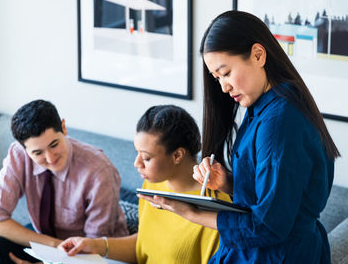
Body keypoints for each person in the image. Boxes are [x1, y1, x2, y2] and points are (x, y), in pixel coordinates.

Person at [140, 11, 340, 263]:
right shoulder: (263, 107)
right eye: (217, 78)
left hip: (276, 256)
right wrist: (227, 183)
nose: (223, 86)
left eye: (226, 73)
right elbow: (274, 198)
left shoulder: (280, 121)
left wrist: (190, 213)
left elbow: (268, 226)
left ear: (258, 55)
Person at [58, 105, 232, 264]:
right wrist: (95, 245)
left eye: (146, 157)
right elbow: (144, 244)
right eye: (137, 153)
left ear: (177, 155)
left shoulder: (215, 206)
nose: (136, 163)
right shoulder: (153, 185)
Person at [0, 100, 128, 264]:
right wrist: (54, 246)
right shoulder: (19, 155)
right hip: (50, 242)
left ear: (64, 128)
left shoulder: (98, 170)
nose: (50, 158)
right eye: (38, 153)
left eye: (54, 144)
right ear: (24, 149)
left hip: (93, 253)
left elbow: (93, 251)